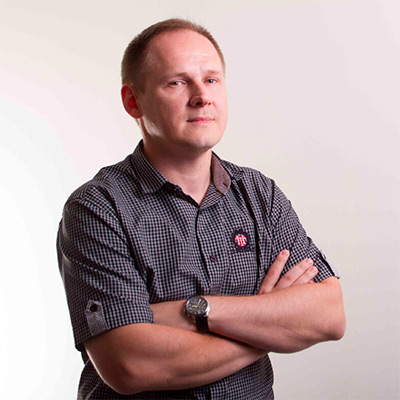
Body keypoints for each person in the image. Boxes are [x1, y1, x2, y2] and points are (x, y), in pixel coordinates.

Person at [57, 18, 345, 400]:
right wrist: (269, 322)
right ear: (133, 101)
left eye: (211, 79)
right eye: (177, 82)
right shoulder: (98, 208)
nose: (201, 96)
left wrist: (196, 310)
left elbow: (329, 314)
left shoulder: (260, 194)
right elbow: (129, 364)